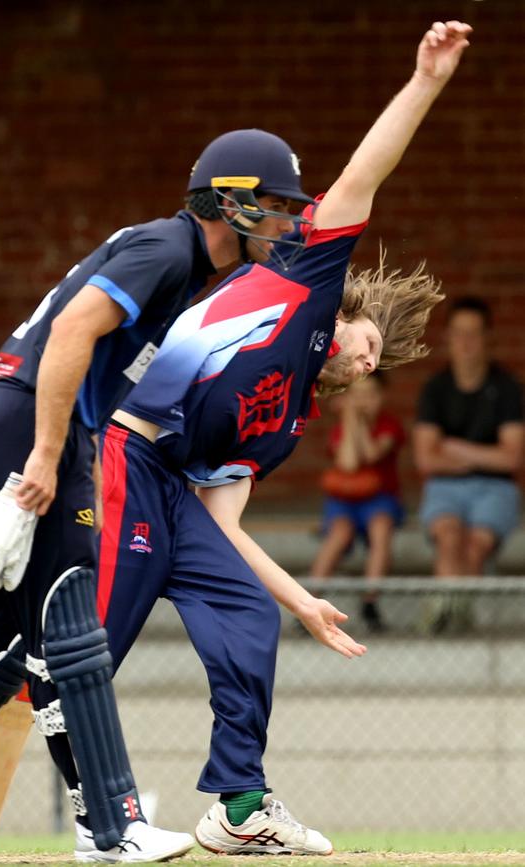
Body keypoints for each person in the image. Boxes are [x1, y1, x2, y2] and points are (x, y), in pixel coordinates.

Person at [0, 129, 313, 863]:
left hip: (21, 419)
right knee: (66, 633)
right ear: (229, 202)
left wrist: (73, 456)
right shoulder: (169, 250)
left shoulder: (175, 258)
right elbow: (74, 329)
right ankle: (110, 827)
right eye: (273, 205)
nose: (285, 221)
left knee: (1, 637)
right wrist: (50, 453)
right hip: (30, 423)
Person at [97, 21, 467, 856]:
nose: (364, 367)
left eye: (373, 369)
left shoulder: (285, 422)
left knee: (245, 617)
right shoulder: (306, 274)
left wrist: (300, 603)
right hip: (124, 453)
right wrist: (427, 84)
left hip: (173, 494)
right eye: (368, 347)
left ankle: (238, 807)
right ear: (344, 316)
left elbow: (224, 527)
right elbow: (365, 174)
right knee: (86, 654)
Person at [414, 296, 523, 578]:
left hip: (495, 489)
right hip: (444, 487)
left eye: (473, 333)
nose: (466, 342)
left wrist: (454, 448)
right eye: (459, 333)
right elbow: (426, 459)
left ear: (487, 337)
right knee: (449, 539)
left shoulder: (507, 388)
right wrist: (485, 457)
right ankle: (451, 616)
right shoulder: (436, 388)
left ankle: (459, 616)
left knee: (476, 545)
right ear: (448, 337)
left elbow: (511, 458)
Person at [311, 370, 406, 632]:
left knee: (381, 528)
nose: (364, 401)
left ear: (382, 396)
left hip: (380, 499)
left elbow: (371, 454)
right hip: (344, 499)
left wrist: (356, 419)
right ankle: (310, 602)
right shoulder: (341, 427)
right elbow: (349, 463)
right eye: (357, 395)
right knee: (339, 533)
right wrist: (351, 417)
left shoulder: (389, 425)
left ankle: (370, 601)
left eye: (370, 395)